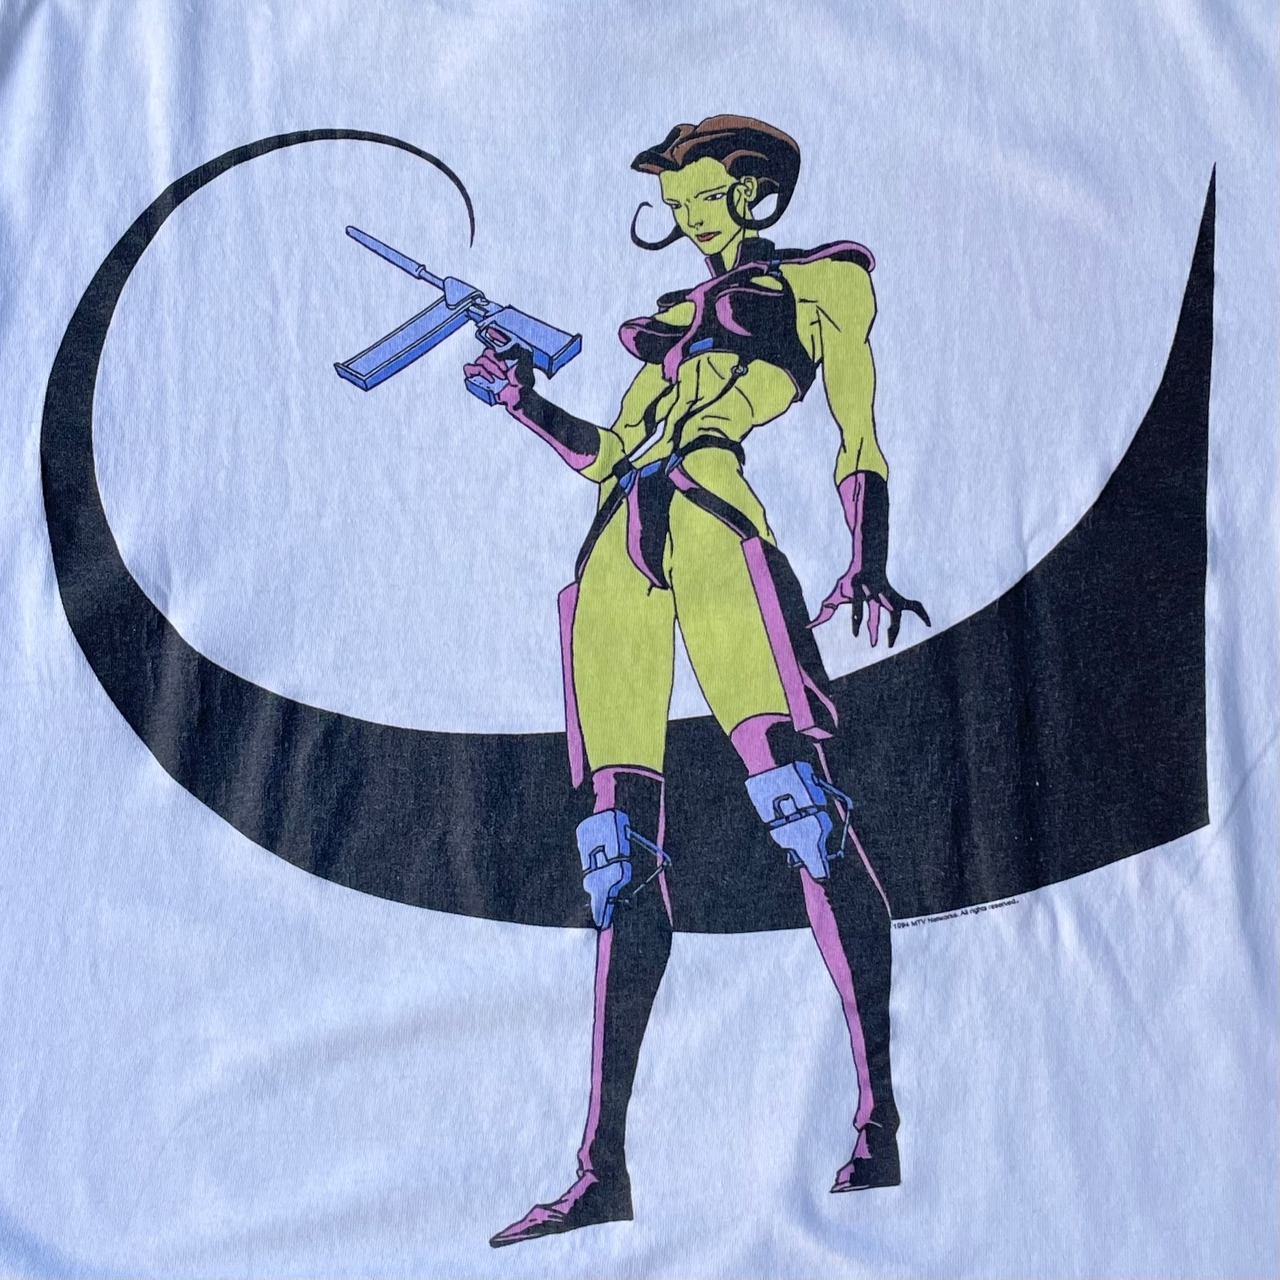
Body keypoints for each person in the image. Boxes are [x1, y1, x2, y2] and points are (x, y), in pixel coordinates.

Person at [464, 115, 930, 1248]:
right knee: (614, 856)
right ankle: (600, 1167)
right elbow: (606, 454)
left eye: (704, 196)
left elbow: (856, 428)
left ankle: (877, 1111)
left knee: (800, 810)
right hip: (615, 554)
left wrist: (866, 552)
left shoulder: (824, 282)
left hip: (716, 525)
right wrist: (522, 401)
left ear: (755, 193)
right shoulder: (668, 324)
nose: (686, 217)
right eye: (675, 203)